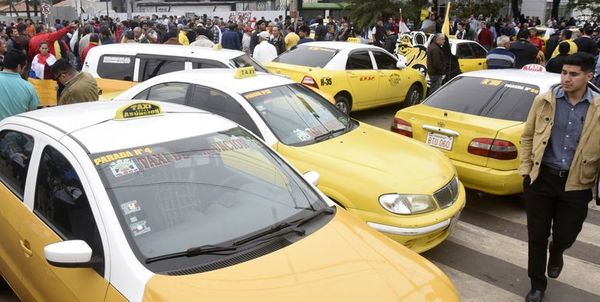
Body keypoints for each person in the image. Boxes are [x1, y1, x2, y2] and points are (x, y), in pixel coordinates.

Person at [520, 52, 599, 302]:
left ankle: (558, 251)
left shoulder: (597, 107)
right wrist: (525, 170)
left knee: (566, 234)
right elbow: (528, 136)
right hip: (542, 179)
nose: (566, 78)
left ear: (589, 75)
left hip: (577, 184)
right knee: (537, 235)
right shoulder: (545, 100)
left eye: (573, 74)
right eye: (564, 72)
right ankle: (537, 284)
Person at [0, 50, 39, 119]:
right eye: (24, 68)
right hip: (15, 128)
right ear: (19, 67)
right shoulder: (29, 87)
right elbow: (32, 114)